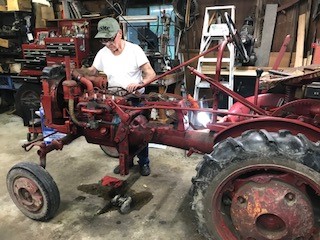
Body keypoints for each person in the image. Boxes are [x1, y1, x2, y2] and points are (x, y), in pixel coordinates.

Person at [74, 17, 156, 176]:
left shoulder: (134, 50)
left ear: (120, 33)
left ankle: (144, 162)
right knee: (116, 132)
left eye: (110, 39)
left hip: (134, 99)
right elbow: (92, 72)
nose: (109, 44)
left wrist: (141, 84)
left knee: (140, 133)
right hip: (115, 101)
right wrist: (77, 72)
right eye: (104, 41)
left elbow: (151, 73)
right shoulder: (103, 53)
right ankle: (126, 160)